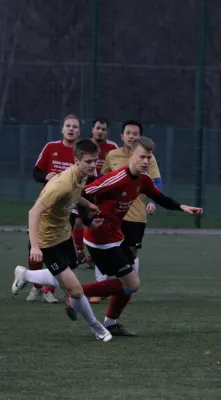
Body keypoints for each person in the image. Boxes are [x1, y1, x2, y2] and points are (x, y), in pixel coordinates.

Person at [67, 136, 202, 337]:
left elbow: (160, 198)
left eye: (149, 157)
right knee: (132, 284)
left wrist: (183, 207)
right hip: (101, 239)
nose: (146, 161)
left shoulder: (143, 179)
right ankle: (77, 292)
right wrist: (87, 221)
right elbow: (81, 194)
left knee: (130, 282)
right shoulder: (116, 178)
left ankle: (111, 323)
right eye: (142, 157)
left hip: (115, 237)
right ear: (132, 156)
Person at [11, 138, 112, 342]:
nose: (93, 166)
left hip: (64, 234)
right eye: (89, 162)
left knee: (70, 285)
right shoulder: (60, 184)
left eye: (95, 161)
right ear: (76, 161)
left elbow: (74, 195)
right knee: (75, 290)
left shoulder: (82, 176)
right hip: (47, 241)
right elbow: (34, 212)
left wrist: (87, 204)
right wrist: (36, 247)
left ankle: (27, 275)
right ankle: (98, 329)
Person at [88, 120, 162, 304]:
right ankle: (100, 287)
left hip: (135, 215)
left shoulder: (148, 158)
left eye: (135, 133)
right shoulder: (112, 155)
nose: (131, 136)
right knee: (106, 251)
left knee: (130, 254)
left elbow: (157, 182)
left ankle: (125, 287)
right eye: (128, 132)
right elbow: (102, 178)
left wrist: (153, 201)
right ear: (122, 136)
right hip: (112, 215)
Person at [27, 114, 80, 303]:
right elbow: (36, 173)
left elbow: (88, 182)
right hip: (46, 206)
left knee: (61, 252)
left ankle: (50, 290)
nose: (71, 129)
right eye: (68, 126)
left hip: (67, 209)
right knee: (35, 251)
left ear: (79, 131)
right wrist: (45, 176)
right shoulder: (51, 147)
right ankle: (36, 287)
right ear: (62, 129)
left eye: (75, 126)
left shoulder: (80, 154)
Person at [72, 117, 118, 269]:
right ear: (92, 130)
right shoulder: (84, 146)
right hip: (85, 187)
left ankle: (94, 253)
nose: (100, 132)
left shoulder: (112, 148)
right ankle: (79, 250)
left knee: (100, 219)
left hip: (103, 189)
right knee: (79, 219)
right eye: (97, 128)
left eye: (103, 129)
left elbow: (116, 171)